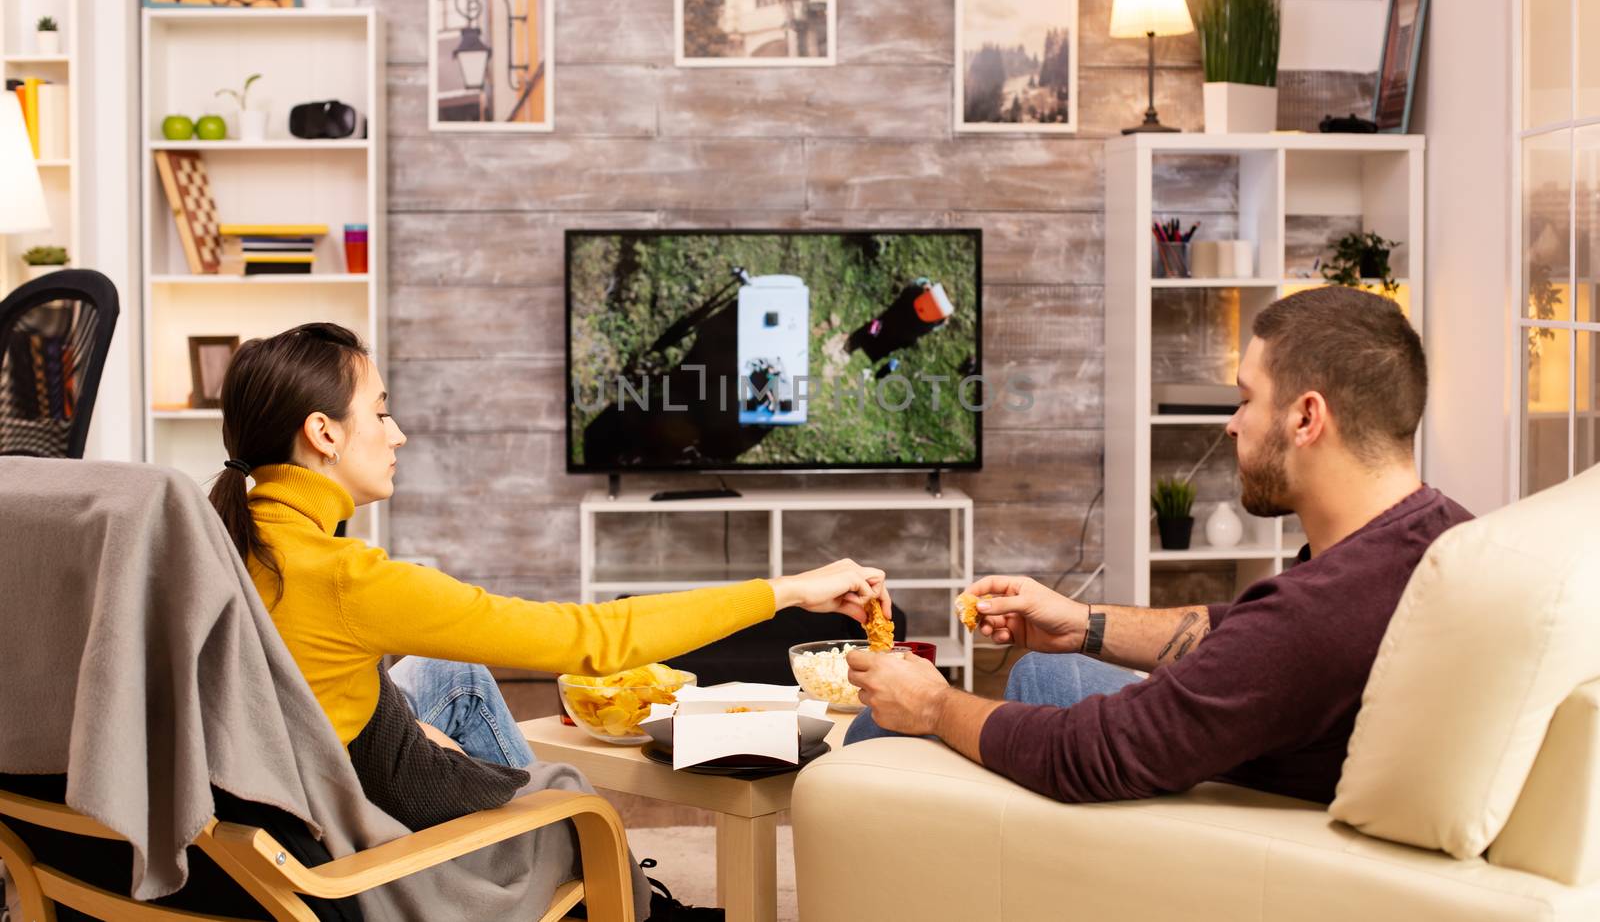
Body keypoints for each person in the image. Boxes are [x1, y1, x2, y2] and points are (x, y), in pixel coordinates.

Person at [208, 322, 890, 920]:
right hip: (332, 857)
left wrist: (388, 713)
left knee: (452, 672)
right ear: (322, 432)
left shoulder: (216, 542)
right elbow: (592, 639)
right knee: (566, 792)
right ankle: (605, 890)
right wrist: (787, 588)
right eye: (380, 412)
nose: (398, 433)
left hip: (246, 824)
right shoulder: (345, 578)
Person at [844, 286, 1472, 806]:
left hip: (1227, 811)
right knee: (1043, 666)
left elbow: (1084, 755)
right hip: (1280, 747)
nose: (1231, 423)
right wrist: (1082, 624)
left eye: (1247, 399)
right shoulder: (1439, 533)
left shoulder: (1320, 615)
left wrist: (934, 704)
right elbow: (1244, 634)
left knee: (881, 726)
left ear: (1306, 418)